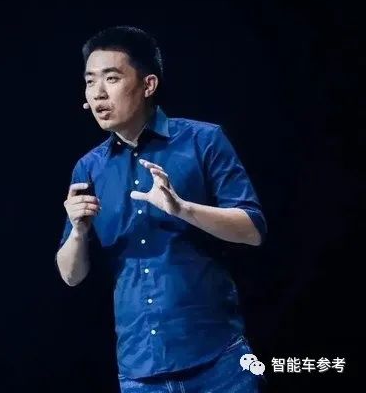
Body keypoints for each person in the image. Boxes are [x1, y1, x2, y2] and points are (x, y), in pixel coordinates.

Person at [55, 26, 267, 392]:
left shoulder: (203, 140)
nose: (98, 92)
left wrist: (182, 208)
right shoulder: (88, 168)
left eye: (111, 78)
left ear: (148, 84)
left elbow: (252, 230)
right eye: (90, 82)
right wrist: (78, 230)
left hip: (218, 361)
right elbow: (70, 275)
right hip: (140, 371)